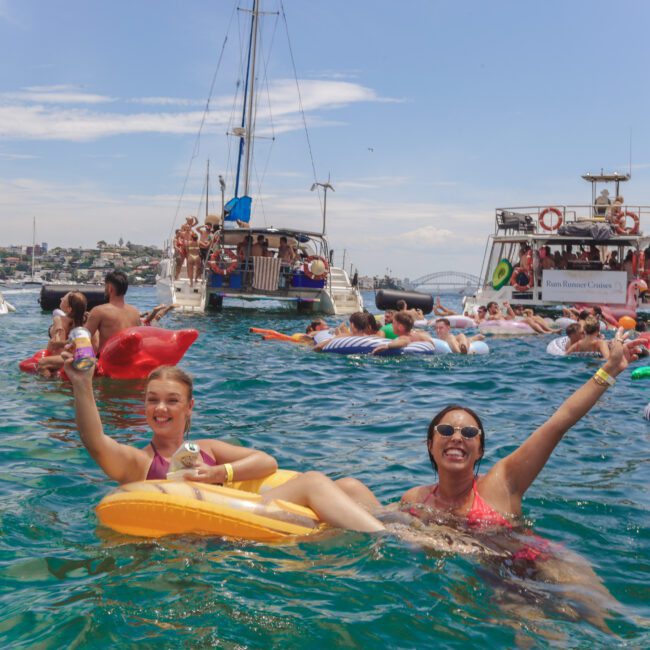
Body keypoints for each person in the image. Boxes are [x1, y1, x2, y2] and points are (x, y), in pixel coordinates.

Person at [399, 335, 640, 630]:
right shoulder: (415, 499)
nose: (458, 438)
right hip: (498, 580)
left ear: (481, 450)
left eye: (470, 433)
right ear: (430, 444)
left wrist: (610, 370)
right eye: (447, 430)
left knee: (615, 628)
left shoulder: (501, 482)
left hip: (548, 564)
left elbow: (559, 422)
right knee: (534, 636)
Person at [66, 361, 383, 533]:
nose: (160, 408)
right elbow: (96, 442)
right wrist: (83, 385)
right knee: (313, 480)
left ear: (189, 407)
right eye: (152, 400)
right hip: (221, 535)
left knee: (350, 486)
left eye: (172, 400)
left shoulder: (207, 449)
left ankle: (407, 524)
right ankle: (393, 540)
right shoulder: (139, 462)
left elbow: (266, 462)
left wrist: (219, 472)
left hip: (250, 512)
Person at [84, 271, 142, 355]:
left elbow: (83, 338)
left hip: (108, 361)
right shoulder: (135, 312)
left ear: (110, 288)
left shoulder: (99, 311)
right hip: (131, 360)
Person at [37, 291, 94, 376]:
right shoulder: (88, 319)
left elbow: (57, 343)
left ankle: (48, 386)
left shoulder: (59, 319)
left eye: (63, 299)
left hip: (65, 357)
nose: (61, 299)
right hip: (86, 357)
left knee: (41, 364)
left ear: (69, 309)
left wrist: (65, 341)